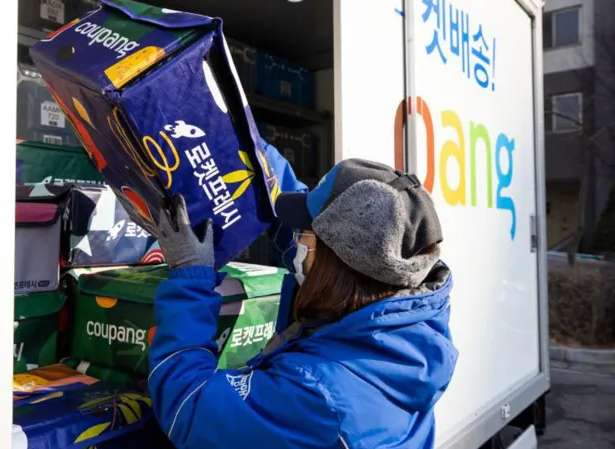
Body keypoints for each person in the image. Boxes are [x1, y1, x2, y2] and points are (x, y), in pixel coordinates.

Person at [148, 147, 458, 449]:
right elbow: (319, 224)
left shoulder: (317, 394)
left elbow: (190, 406)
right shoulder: (403, 323)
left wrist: (190, 278)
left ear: (333, 262)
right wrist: (249, 146)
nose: (298, 239)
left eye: (306, 233)